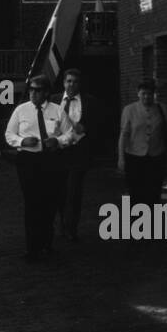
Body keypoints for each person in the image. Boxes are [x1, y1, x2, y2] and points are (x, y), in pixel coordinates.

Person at [5, 74, 75, 262]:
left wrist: (58, 141)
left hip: (51, 160)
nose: (33, 93)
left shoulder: (58, 110)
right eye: (31, 90)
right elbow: (9, 134)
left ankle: (47, 244)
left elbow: (70, 134)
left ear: (46, 92)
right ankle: (32, 248)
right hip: (28, 161)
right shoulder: (21, 110)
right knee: (32, 203)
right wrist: (22, 141)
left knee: (50, 202)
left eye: (37, 90)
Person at [51, 68, 103, 243]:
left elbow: (99, 126)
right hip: (59, 153)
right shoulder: (54, 101)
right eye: (69, 81)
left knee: (74, 192)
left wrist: (86, 128)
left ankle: (71, 228)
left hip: (79, 154)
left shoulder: (90, 102)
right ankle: (62, 224)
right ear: (64, 83)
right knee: (59, 191)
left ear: (79, 84)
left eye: (75, 81)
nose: (71, 84)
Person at [118, 79, 167, 207]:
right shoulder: (129, 110)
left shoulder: (162, 108)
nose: (146, 97)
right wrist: (121, 157)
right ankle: (137, 220)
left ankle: (152, 220)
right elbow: (124, 134)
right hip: (135, 155)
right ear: (138, 94)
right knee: (136, 190)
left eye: (149, 94)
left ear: (154, 95)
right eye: (143, 93)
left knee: (154, 190)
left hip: (156, 155)